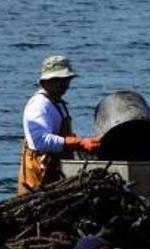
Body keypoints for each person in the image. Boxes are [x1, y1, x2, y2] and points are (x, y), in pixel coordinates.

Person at [19, 55, 101, 196]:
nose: (65, 85)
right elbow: (39, 141)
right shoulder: (39, 105)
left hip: (55, 173)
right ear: (47, 81)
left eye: (66, 80)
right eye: (60, 81)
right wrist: (79, 143)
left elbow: (64, 137)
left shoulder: (57, 103)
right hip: (40, 177)